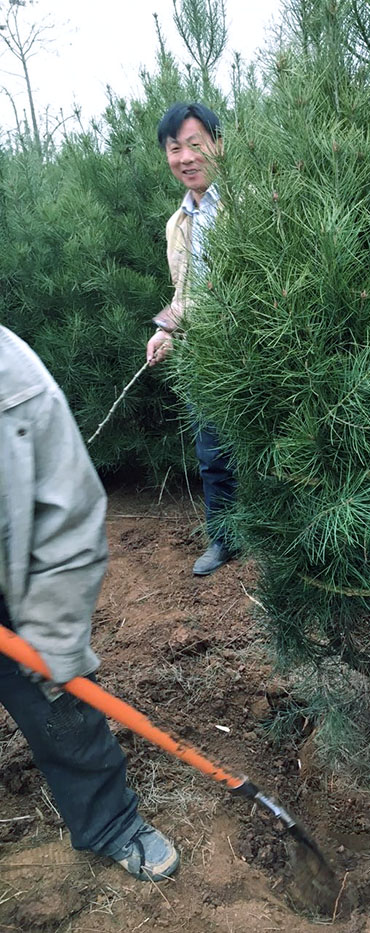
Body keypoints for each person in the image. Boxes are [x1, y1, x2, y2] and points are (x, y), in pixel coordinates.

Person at [0, 324, 179, 882]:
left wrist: (52, 644)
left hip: (11, 582)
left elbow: (68, 513)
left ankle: (108, 822)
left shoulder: (12, 380)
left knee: (61, 708)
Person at [146, 101, 237, 577]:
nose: (186, 156)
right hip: (206, 356)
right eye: (174, 147)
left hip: (252, 349)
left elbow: (245, 288)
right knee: (213, 454)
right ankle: (225, 539)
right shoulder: (177, 223)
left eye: (195, 144)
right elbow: (183, 293)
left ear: (218, 145)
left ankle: (286, 537)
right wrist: (166, 331)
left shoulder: (248, 206)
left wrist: (177, 324)